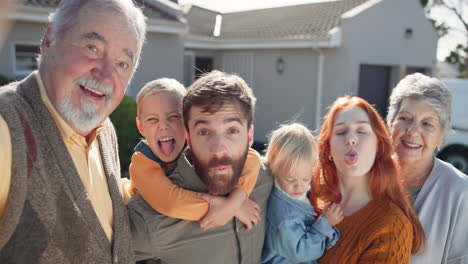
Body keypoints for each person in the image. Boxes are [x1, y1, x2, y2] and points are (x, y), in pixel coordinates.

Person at [0, 0, 146, 262]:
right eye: (92, 48)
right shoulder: (6, 127)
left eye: (123, 64)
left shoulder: (104, 131)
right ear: (49, 39)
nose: (105, 75)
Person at [128, 71, 274, 264]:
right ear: (190, 137)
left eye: (232, 131)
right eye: (204, 132)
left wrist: (236, 199)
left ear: (249, 136)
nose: (219, 150)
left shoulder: (268, 178)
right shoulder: (150, 219)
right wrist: (228, 208)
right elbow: (171, 202)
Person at [312, 96, 425, 264]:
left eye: (362, 131)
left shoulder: (391, 224)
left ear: (378, 145)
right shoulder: (308, 199)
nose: (351, 139)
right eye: (341, 132)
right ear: (328, 147)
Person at [387, 73, 468, 264]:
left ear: (442, 137)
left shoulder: (459, 192)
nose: (413, 131)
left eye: (427, 123)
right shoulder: (364, 175)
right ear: (391, 124)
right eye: (405, 118)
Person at [261, 123, 342, 264]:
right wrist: (325, 224)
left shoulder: (289, 194)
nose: (299, 186)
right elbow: (302, 251)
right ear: (275, 167)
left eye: (306, 178)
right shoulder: (285, 217)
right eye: (290, 179)